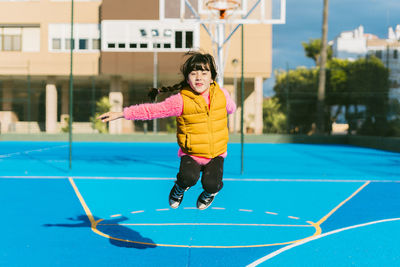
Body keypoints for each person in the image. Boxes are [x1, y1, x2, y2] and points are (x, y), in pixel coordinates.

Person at [98, 51, 236, 210]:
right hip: (192, 153)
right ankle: (179, 188)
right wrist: (122, 114)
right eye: (193, 73)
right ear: (187, 78)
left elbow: (231, 108)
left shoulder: (222, 95)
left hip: (216, 153)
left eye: (204, 73)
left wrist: (230, 106)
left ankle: (209, 194)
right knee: (188, 178)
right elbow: (153, 111)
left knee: (213, 185)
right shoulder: (180, 101)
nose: (199, 77)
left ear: (212, 77)